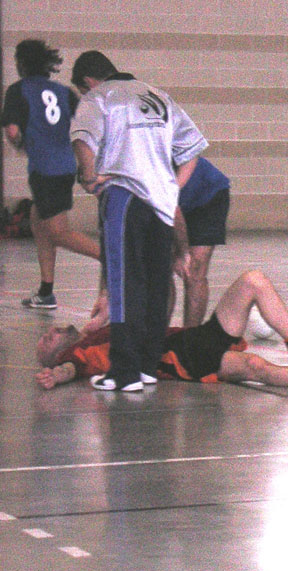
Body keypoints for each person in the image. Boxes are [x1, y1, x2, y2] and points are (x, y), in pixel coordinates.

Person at [70, 50, 208, 392]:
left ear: (88, 81)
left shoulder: (99, 97)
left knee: (124, 283)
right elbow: (191, 151)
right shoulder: (159, 96)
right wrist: (169, 186)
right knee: (155, 284)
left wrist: (89, 177)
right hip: (161, 203)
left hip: (124, 196)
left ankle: (124, 372)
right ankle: (147, 365)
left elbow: (82, 139)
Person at [34, 270, 288, 392]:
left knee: (253, 281)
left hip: (193, 340)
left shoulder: (95, 329)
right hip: (183, 360)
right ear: (58, 354)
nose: (50, 333)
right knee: (255, 366)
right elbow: (72, 368)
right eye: (47, 341)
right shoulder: (78, 354)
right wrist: (57, 375)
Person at [0, 39, 100, 309]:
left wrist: (22, 144)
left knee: (58, 233)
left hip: (45, 170)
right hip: (65, 166)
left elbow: (12, 131)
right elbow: (85, 125)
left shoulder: (18, 90)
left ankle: (113, 259)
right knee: (37, 221)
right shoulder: (64, 92)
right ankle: (46, 292)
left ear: (21, 64)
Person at [173, 157, 231, 327]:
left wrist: (183, 253)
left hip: (208, 196)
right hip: (172, 203)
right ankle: (157, 334)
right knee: (161, 269)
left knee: (195, 269)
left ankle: (190, 335)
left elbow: (173, 210)